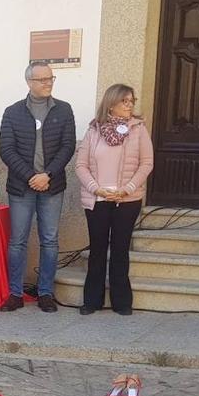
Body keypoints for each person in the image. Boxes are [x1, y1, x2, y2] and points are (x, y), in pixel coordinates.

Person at [0, 61, 77, 312]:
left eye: (51, 78)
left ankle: (45, 293)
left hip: (52, 187)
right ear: (29, 82)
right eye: (42, 79)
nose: (48, 83)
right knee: (18, 241)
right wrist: (32, 176)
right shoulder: (13, 112)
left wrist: (48, 175)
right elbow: (6, 150)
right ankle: (15, 293)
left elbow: (68, 146)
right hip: (21, 188)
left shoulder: (64, 110)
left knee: (50, 240)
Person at [75, 84, 154, 315]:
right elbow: (81, 165)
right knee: (98, 249)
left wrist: (127, 189)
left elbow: (146, 163)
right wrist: (96, 189)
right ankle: (92, 301)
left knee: (120, 249)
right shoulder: (94, 130)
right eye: (125, 101)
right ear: (111, 104)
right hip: (97, 199)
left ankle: (122, 302)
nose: (130, 105)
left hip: (127, 200)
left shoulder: (138, 129)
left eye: (132, 101)